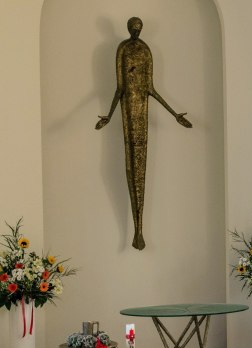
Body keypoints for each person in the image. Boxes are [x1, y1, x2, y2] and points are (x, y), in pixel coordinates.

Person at [95, 17, 192, 250]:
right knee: (131, 162)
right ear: (129, 29)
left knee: (140, 163)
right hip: (128, 110)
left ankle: (138, 230)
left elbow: (150, 88)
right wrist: (109, 115)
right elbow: (120, 88)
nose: (136, 33)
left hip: (141, 113)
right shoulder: (123, 49)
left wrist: (174, 114)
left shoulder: (145, 50)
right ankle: (137, 230)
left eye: (139, 30)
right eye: (133, 29)